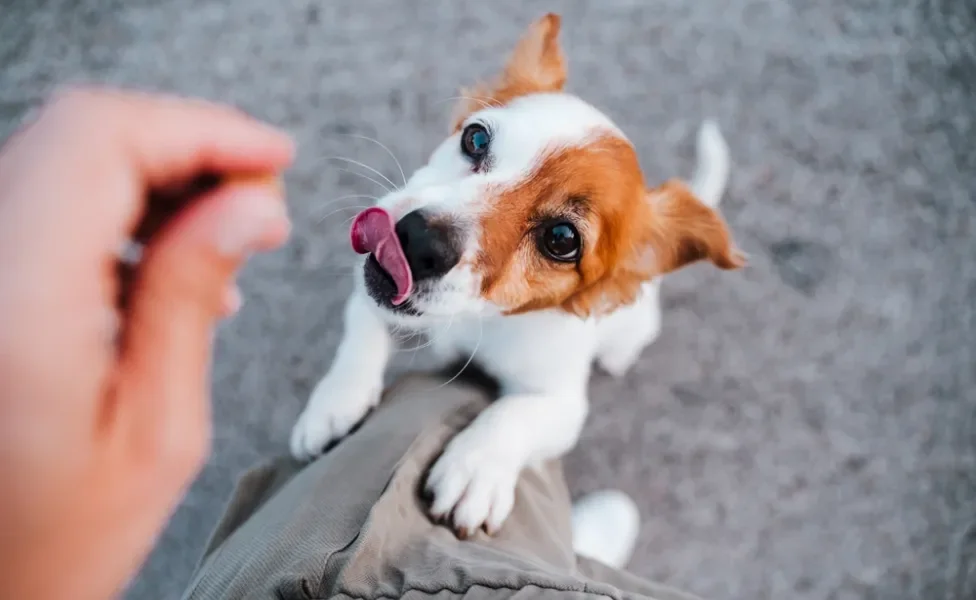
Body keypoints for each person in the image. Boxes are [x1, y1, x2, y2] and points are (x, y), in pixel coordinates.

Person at [0, 87, 699, 600]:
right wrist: (353, 370)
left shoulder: (584, 312)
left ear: (609, 277)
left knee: (620, 343)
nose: (438, 228)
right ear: (463, 121)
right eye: (478, 145)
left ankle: (550, 540)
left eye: (557, 238)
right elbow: (373, 309)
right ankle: (556, 560)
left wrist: (501, 443)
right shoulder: (437, 245)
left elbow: (557, 404)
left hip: (572, 335)